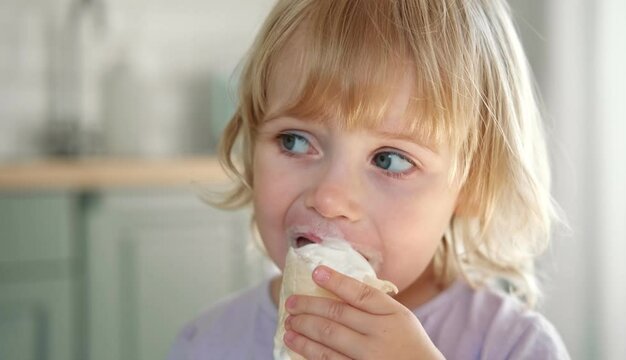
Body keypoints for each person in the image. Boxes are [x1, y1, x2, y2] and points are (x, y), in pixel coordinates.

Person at [168, 0, 570, 359]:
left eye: (390, 160)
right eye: (294, 141)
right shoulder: (206, 343)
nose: (329, 197)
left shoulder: (515, 345)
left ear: (472, 185)